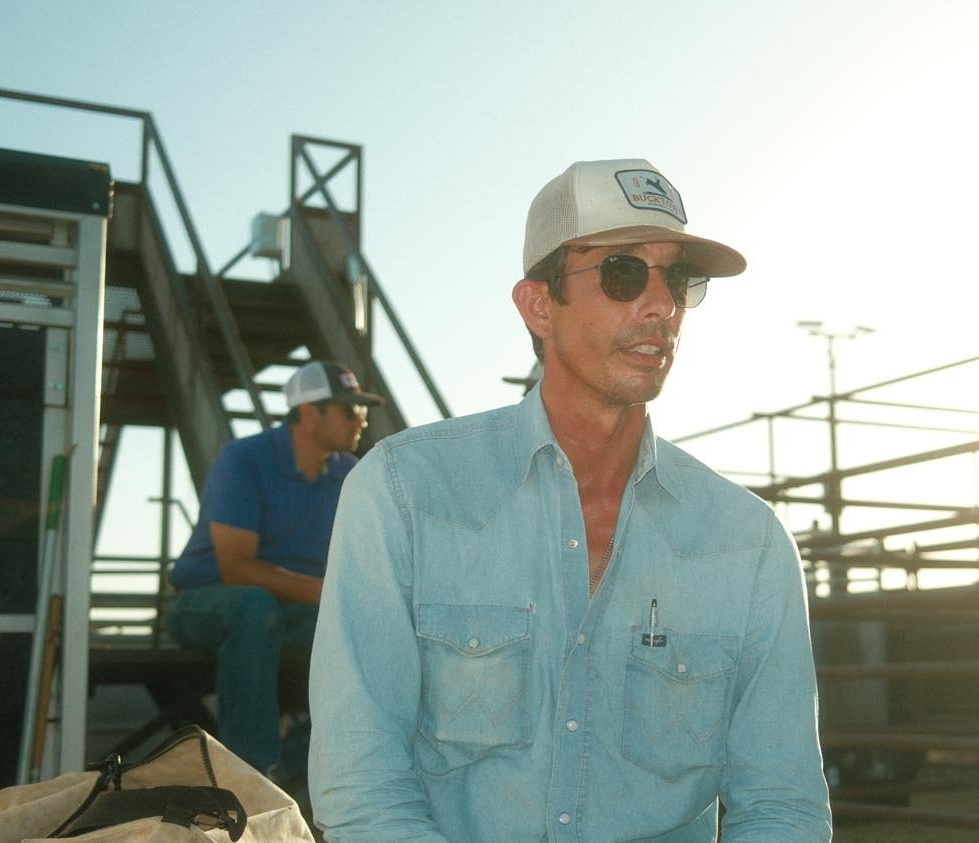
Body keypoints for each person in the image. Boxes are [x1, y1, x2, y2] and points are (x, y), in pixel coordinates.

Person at [310, 159, 832, 840]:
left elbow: (783, 806)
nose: (660, 305)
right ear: (538, 305)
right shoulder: (404, 495)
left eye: (677, 278)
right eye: (622, 272)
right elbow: (361, 786)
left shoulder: (749, 542)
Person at [167, 360, 383, 777]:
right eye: (350, 409)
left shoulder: (349, 474)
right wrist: (333, 593)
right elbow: (236, 569)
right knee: (253, 605)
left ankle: (340, 762)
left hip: (285, 611)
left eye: (363, 409)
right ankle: (252, 774)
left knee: (378, 620)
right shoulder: (243, 460)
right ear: (308, 413)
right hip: (205, 605)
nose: (362, 419)